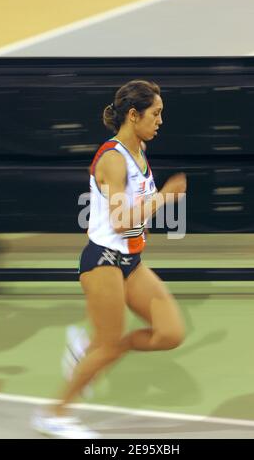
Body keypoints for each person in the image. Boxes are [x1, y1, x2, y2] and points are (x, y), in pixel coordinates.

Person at [32, 79, 187, 439]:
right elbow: (120, 220)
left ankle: (89, 348)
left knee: (170, 333)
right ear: (133, 115)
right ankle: (54, 414)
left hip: (130, 261)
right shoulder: (113, 159)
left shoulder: (139, 150)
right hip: (103, 260)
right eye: (156, 113)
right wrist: (164, 197)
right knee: (109, 344)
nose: (160, 120)